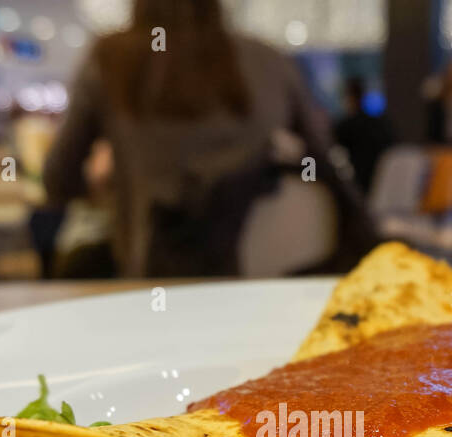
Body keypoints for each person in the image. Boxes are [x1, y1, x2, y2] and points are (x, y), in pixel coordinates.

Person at [43, 0, 375, 277]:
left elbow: (58, 181)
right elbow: (323, 163)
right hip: (260, 276)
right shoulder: (267, 59)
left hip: (148, 275)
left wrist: (112, 182)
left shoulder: (110, 59)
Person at [333, 77, 393, 195]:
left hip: (362, 183)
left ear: (349, 97)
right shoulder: (381, 122)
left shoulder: (348, 125)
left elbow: (331, 148)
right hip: (385, 181)